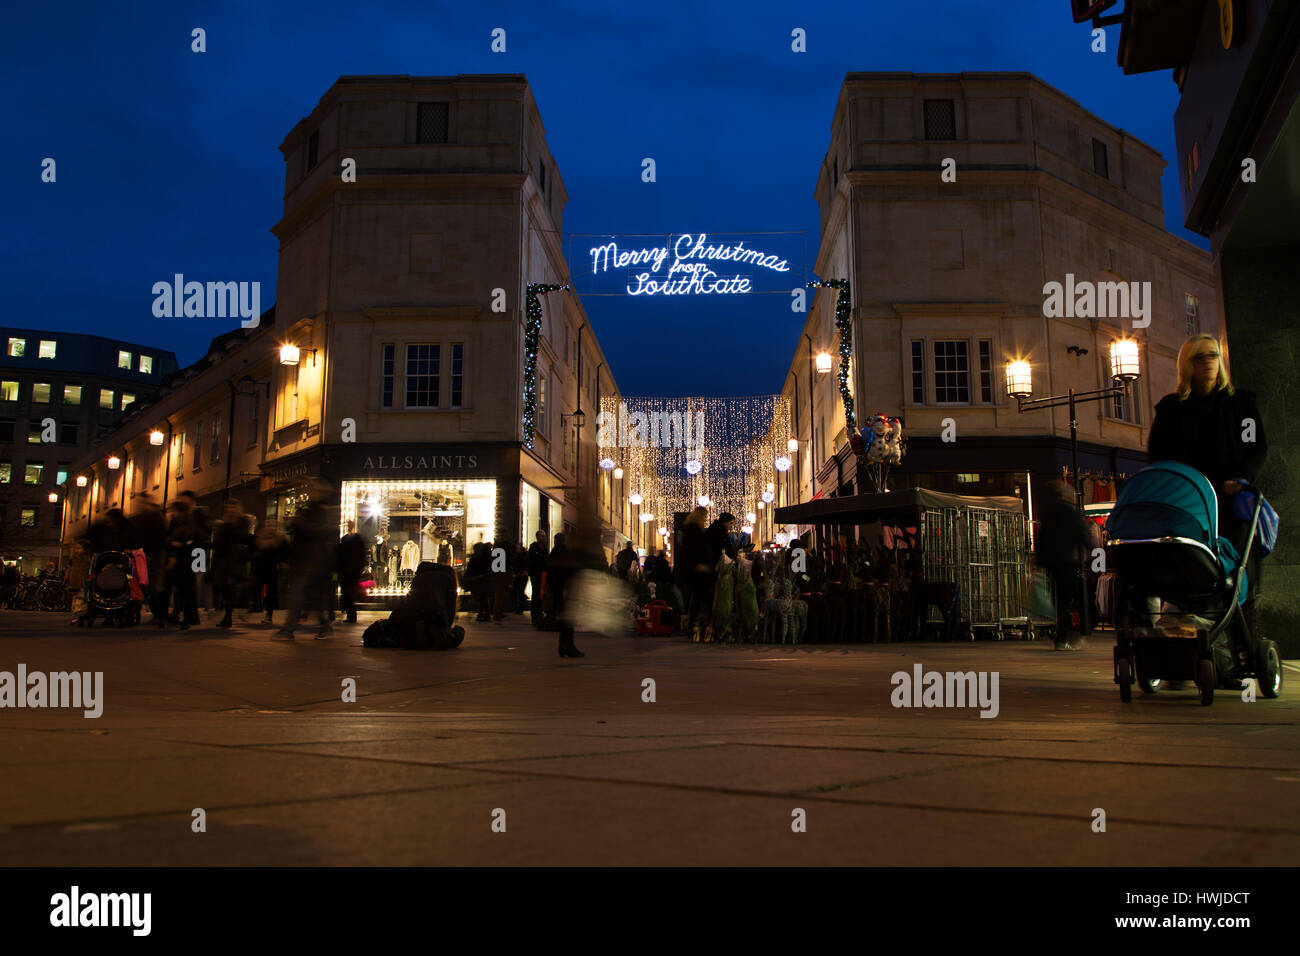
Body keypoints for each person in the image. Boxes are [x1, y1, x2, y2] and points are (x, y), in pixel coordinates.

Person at [1148, 333, 1268, 624]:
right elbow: (1159, 456)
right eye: (1199, 357)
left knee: (1239, 562)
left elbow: (1256, 447)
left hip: (1231, 500)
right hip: (1191, 502)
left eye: (1213, 355)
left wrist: (1241, 478)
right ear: (1187, 365)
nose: (1208, 363)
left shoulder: (1241, 405)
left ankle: (1240, 626)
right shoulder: (1172, 409)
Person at [274, 482, 340, 641]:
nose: (309, 492)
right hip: (307, 560)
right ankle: (323, 626)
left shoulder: (320, 510)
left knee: (298, 594)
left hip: (312, 561)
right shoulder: (310, 509)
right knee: (310, 596)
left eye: (312, 489)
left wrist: (297, 522)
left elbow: (317, 531)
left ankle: (289, 628)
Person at [1035, 480, 1091, 651]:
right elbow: (1081, 534)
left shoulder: (1047, 512)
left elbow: (1041, 537)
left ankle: (1059, 634)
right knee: (1066, 601)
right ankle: (1062, 638)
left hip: (1050, 562)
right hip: (1066, 562)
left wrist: (1039, 560)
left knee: (1056, 598)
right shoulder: (1070, 512)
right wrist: (1092, 551)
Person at [211, 501, 252, 628]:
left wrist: (229, 524)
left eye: (232, 507)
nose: (230, 510)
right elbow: (218, 541)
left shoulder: (242, 522)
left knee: (230, 588)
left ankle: (228, 616)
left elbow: (241, 537)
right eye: (228, 507)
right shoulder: (223, 523)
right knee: (220, 586)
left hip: (235, 560)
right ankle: (224, 609)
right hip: (222, 559)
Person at [252, 518, 289, 624]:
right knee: (256, 588)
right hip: (260, 567)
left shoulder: (281, 540)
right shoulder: (260, 538)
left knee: (271, 592)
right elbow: (254, 551)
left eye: (272, 525)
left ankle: (269, 613)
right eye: (268, 524)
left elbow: (285, 553)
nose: (270, 527)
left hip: (273, 568)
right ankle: (257, 606)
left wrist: (282, 563)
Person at [337, 520, 367, 624]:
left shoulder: (353, 540)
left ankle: (351, 615)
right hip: (348, 571)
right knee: (347, 593)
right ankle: (350, 614)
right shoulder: (351, 540)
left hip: (350, 571)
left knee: (348, 593)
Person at [526, 530, 549, 627]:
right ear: (537, 537)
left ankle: (539, 614)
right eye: (542, 536)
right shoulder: (533, 547)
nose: (544, 538)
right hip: (536, 575)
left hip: (543, 575)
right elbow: (531, 561)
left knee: (541, 595)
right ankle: (534, 616)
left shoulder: (544, 548)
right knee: (536, 594)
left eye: (544, 536)